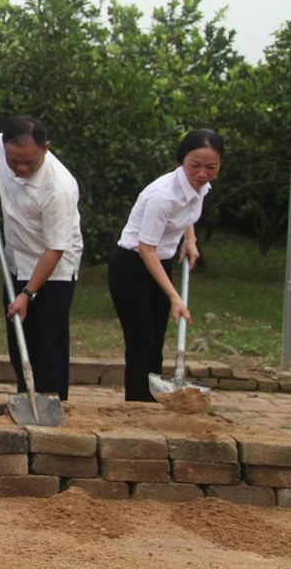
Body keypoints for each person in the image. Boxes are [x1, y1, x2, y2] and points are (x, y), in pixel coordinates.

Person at [108, 129, 224, 402]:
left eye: (211, 167)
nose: (202, 174)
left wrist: (190, 238)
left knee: (156, 342)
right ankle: (137, 407)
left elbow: (188, 213)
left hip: (160, 263)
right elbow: (146, 249)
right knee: (141, 343)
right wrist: (174, 296)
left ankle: (152, 400)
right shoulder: (163, 195)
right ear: (183, 159)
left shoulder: (200, 186)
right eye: (195, 165)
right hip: (132, 267)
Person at [0, 115, 83, 401]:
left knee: (48, 347)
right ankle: (26, 397)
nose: (21, 168)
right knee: (19, 341)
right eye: (15, 162)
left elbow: (55, 249)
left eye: (30, 162)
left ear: (45, 149)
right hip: (16, 261)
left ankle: (52, 403)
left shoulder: (59, 188)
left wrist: (27, 293)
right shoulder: (4, 145)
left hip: (53, 272)